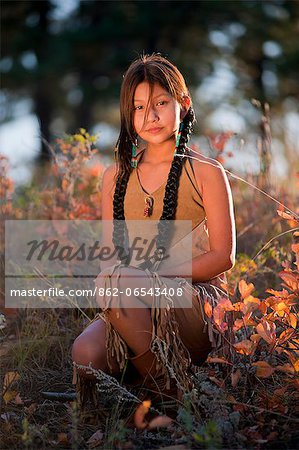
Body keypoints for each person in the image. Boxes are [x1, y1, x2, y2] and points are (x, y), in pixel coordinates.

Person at [72, 53, 236, 409]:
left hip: (196, 307)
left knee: (119, 282)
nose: (151, 116)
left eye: (162, 102)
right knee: (85, 353)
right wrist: (129, 284)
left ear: (184, 104)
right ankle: (162, 378)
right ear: (128, 115)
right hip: (135, 301)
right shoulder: (114, 177)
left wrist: (148, 278)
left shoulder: (206, 171)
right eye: (140, 107)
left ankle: (170, 395)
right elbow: (110, 261)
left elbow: (224, 257)